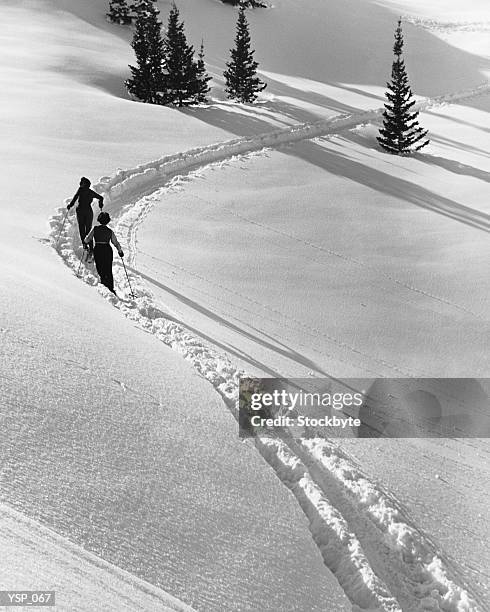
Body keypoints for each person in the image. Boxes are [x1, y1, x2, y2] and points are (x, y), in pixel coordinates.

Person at [84, 212, 124, 294]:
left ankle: (104, 285)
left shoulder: (95, 229)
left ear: (99, 220)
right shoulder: (110, 231)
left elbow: (87, 239)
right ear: (108, 221)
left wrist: (85, 241)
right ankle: (111, 288)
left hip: (98, 250)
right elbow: (115, 243)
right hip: (107, 250)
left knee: (100, 268)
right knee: (108, 269)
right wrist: (120, 251)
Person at [67, 177, 104, 253]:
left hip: (80, 211)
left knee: (81, 228)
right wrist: (100, 204)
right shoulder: (91, 192)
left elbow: (75, 197)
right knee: (88, 230)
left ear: (83, 184)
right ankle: (91, 248)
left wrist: (70, 205)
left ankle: (85, 245)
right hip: (89, 212)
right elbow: (101, 197)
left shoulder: (80, 190)